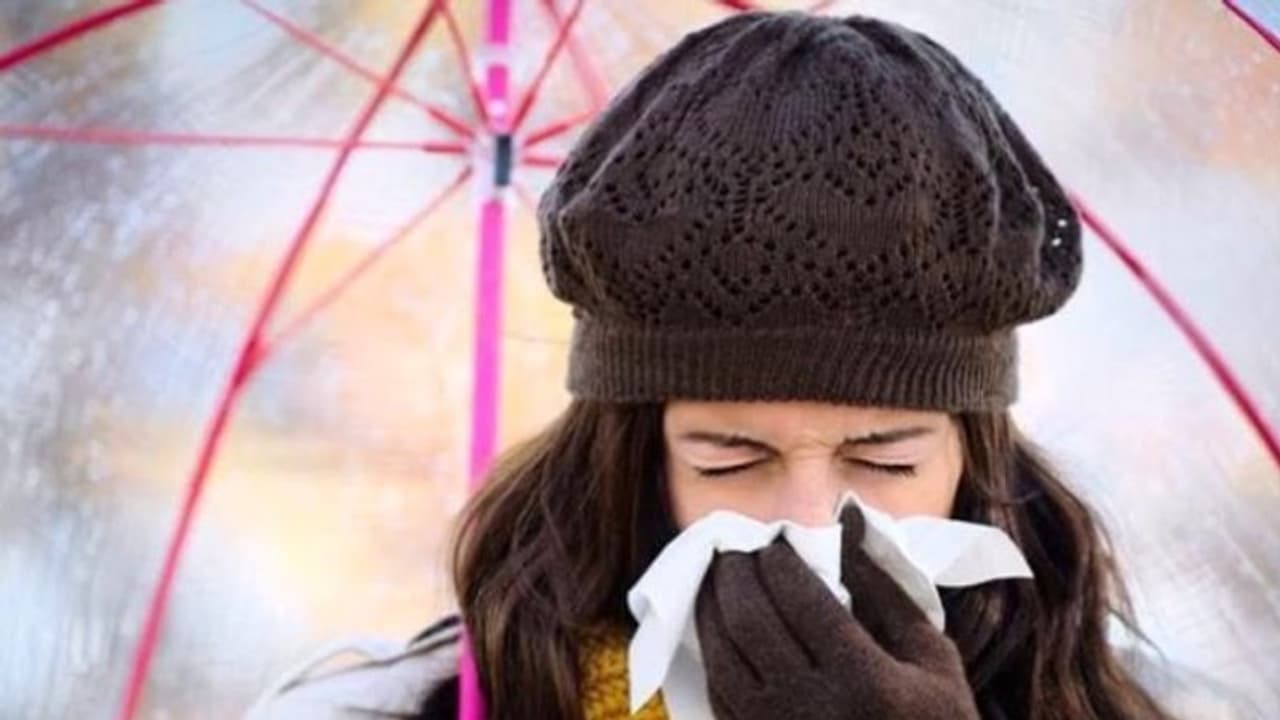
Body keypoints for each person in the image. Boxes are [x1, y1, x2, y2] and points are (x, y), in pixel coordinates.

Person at [247, 11, 1249, 720]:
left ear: (972, 462)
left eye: (886, 461)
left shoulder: (1161, 712)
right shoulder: (375, 711)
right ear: (632, 462)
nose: (808, 521)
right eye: (727, 459)